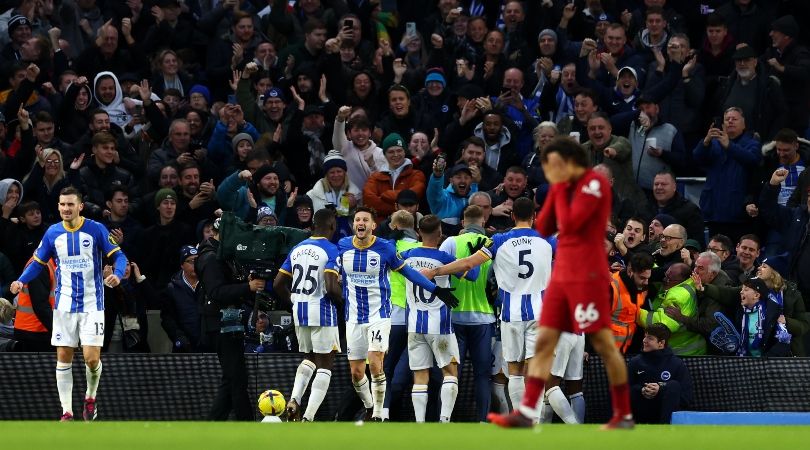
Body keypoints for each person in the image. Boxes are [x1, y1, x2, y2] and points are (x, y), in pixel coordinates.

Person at [486, 136, 634, 429]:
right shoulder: (554, 249)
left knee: (534, 379)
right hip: (573, 327)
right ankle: (563, 426)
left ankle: (552, 425)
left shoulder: (512, 244)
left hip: (544, 321)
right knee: (570, 385)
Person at [420, 198, 553, 418]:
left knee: (515, 371)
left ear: (512, 216)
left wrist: (435, 272)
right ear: (535, 217)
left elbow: (468, 264)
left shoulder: (499, 240)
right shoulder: (547, 240)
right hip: (539, 314)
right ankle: (534, 420)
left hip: (511, 315)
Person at [10, 186, 128, 422]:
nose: (66, 208)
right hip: (63, 305)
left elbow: (119, 256)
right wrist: (21, 281)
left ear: (80, 206)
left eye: (70, 204)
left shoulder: (95, 229)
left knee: (92, 359)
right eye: (62, 204)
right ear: (58, 207)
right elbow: (37, 262)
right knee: (64, 355)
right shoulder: (53, 233)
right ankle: (67, 412)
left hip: (92, 304)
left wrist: (118, 272)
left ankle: (90, 398)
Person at [337, 206, 457, 421]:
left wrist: (436, 289)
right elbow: (337, 273)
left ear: (373, 226)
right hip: (353, 317)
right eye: (357, 220)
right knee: (356, 373)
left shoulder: (385, 249)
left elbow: (409, 272)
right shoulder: (343, 246)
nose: (360, 223)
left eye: (365, 219)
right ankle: (368, 405)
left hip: (380, 315)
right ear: (353, 225)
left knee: (375, 362)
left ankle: (378, 414)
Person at [399, 215, 480, 422]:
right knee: (450, 372)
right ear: (440, 234)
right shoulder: (444, 258)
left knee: (420, 376)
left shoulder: (406, 256)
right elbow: (472, 275)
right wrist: (472, 257)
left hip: (415, 325)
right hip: (440, 326)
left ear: (418, 233)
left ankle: (420, 423)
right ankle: (444, 421)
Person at [273, 209, 343, 422]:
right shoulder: (331, 249)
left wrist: (294, 300)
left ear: (313, 225)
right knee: (325, 364)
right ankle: (309, 417)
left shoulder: (297, 248)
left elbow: (277, 284)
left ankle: (295, 400)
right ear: (332, 226)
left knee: (309, 358)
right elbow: (331, 288)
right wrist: (344, 303)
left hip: (300, 310)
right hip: (322, 310)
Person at [195, 218, 265, 421]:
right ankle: (246, 424)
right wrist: (247, 287)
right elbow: (216, 291)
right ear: (221, 233)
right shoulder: (210, 258)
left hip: (228, 322)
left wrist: (245, 282)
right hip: (219, 324)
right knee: (236, 379)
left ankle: (212, 425)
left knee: (232, 378)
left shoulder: (223, 255)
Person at [628, 323, 693, 424]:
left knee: (673, 385)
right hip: (639, 414)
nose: (644, 340)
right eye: (645, 337)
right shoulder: (635, 362)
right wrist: (642, 390)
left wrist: (661, 388)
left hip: (665, 414)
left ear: (661, 343)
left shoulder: (677, 364)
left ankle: (665, 431)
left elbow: (686, 398)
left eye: (650, 338)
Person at [638, 263, 706, 356]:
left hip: (685, 353)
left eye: (669, 278)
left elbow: (662, 324)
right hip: (688, 348)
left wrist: (635, 311)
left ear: (680, 280)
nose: (664, 279)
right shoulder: (685, 284)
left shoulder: (677, 296)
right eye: (665, 275)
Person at [610, 252, 654, 354]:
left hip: (628, 349)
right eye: (642, 278)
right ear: (630, 271)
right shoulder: (611, 287)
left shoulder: (643, 287)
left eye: (648, 278)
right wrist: (587, 349)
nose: (646, 282)